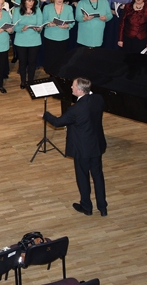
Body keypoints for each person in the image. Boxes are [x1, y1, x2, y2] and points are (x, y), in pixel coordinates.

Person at [40, 77, 108, 217]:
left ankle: (86, 207)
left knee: (83, 177)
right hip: (96, 145)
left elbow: (58, 122)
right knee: (98, 176)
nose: (71, 88)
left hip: (82, 148)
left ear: (79, 90)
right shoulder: (98, 99)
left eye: (73, 86)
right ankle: (102, 207)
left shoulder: (75, 109)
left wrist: (46, 115)